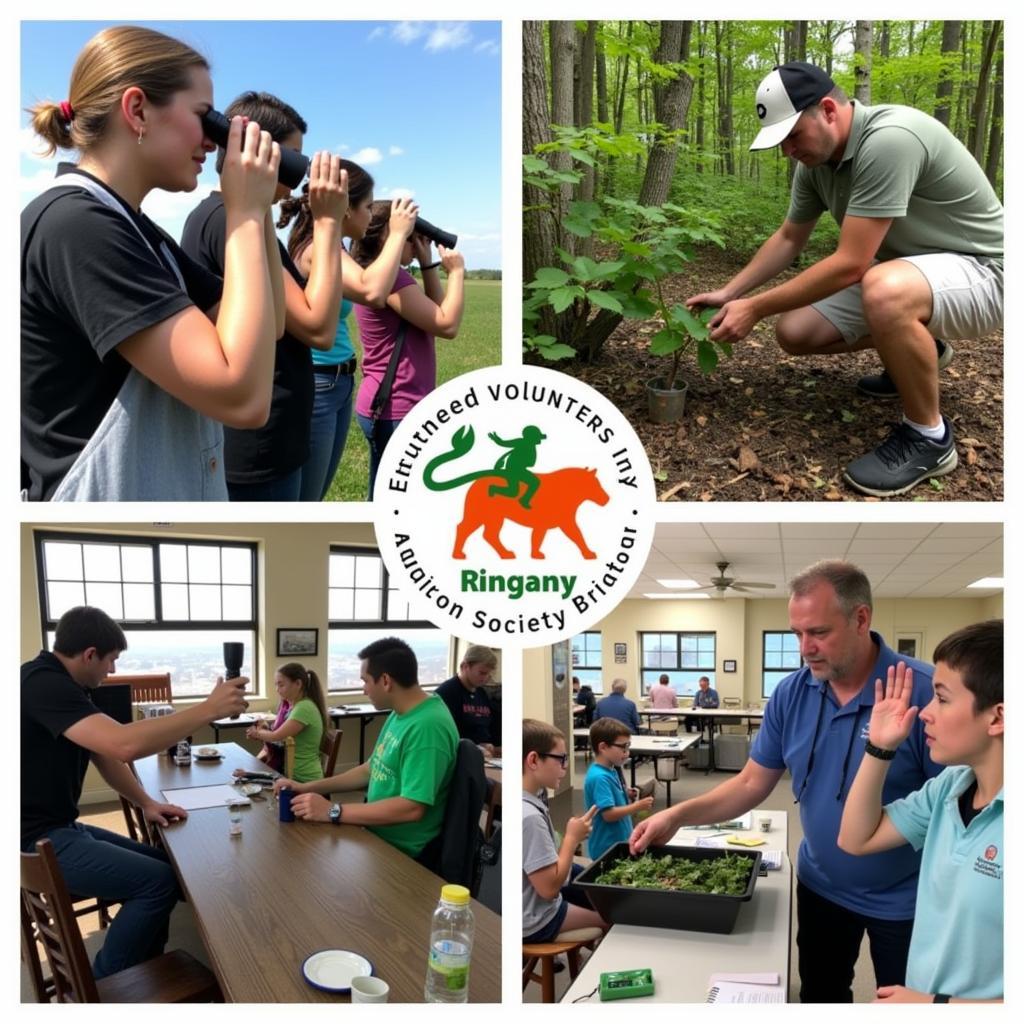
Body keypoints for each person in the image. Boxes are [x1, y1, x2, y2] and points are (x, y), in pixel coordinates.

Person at [687, 61, 1003, 497]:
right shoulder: (815, 165)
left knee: (883, 288)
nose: (787, 151)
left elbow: (853, 263)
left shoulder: (891, 139)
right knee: (796, 332)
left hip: (988, 272)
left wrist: (755, 308)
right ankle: (920, 350)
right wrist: (731, 292)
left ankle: (929, 439)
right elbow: (788, 237)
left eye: (792, 135)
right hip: (917, 276)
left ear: (829, 111)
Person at [630, 560, 942, 1003]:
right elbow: (750, 784)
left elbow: (958, 810)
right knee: (821, 993)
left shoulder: (923, 692)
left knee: (904, 1003)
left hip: (906, 899)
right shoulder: (791, 693)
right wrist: (678, 816)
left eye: (817, 632)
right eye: (796, 634)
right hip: (821, 886)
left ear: (861, 619)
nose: (804, 648)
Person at [21, 25, 284, 501]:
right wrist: (242, 215)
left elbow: (272, 326)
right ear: (137, 109)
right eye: (205, 118)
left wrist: (259, 208)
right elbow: (242, 396)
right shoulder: (77, 226)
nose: (212, 142)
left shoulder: (133, 227)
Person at [21, 606, 248, 978]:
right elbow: (123, 746)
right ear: (90, 654)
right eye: (111, 660)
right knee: (157, 883)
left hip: (56, 826)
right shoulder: (42, 684)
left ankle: (145, 966)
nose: (112, 670)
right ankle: (107, 988)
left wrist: (147, 802)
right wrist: (207, 709)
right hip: (38, 838)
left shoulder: (63, 685)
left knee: (165, 867)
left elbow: (104, 754)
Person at [181, 91, 348, 501]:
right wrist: (328, 223)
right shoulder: (229, 222)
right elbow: (318, 327)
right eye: (293, 157)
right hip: (258, 446)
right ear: (260, 152)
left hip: (268, 435)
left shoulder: (239, 219)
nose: (298, 173)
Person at [838, 621, 1003, 1003]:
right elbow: (855, 838)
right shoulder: (951, 786)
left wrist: (936, 1006)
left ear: (997, 718)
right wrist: (879, 747)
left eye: (942, 699)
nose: (925, 713)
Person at [280, 171, 419, 500]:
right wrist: (397, 234)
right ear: (345, 209)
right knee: (309, 498)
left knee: (316, 491)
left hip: (337, 381)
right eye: (368, 207)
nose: (371, 217)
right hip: (320, 382)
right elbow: (373, 291)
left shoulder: (331, 248)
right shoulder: (318, 247)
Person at [272, 637, 457, 859]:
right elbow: (369, 769)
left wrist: (333, 810)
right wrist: (306, 787)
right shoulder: (401, 713)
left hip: (401, 854)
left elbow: (412, 808)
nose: (364, 689)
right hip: (373, 835)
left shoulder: (428, 727)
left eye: (366, 681)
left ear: (386, 680)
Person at [351, 201, 467, 497]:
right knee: (397, 497)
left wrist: (427, 262)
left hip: (391, 402)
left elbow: (436, 312)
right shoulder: (393, 281)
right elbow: (447, 324)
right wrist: (455, 273)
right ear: (386, 237)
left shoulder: (379, 275)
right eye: (410, 236)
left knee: (384, 491)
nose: (415, 244)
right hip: (397, 405)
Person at [522, 718, 608, 942]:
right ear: (533, 760)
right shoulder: (529, 817)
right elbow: (549, 890)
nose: (566, 766)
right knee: (613, 917)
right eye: (561, 759)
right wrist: (572, 838)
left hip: (534, 903)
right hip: (537, 920)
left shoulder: (532, 797)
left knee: (598, 886)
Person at [243, 663, 328, 784]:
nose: (277, 689)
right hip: (290, 773)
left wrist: (257, 733)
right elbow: (281, 736)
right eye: (276, 685)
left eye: (281, 685)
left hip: (304, 779)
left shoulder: (304, 708)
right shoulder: (294, 707)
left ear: (298, 684)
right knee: (244, 777)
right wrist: (264, 729)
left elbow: (276, 736)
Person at [584, 718, 654, 860]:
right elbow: (608, 815)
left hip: (617, 841)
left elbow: (609, 797)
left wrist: (625, 792)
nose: (627, 753)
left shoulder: (610, 770)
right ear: (603, 747)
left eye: (628, 747)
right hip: (607, 847)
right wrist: (637, 806)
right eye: (623, 748)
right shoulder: (600, 778)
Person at [435, 645, 501, 755]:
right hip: (463, 755)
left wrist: (496, 747)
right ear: (465, 666)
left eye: (489, 674)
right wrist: (477, 748)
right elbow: (444, 737)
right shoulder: (446, 694)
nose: (486, 678)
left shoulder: (482, 693)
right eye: (482, 673)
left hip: (488, 755)